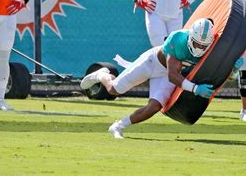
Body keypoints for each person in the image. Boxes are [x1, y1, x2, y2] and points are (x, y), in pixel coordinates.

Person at [80, 18, 216, 139]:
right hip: (152, 63)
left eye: (204, 45)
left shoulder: (212, 46)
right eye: (197, 43)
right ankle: (102, 74)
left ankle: (118, 126)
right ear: (190, 37)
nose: (200, 48)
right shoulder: (178, 39)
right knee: (113, 89)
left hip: (165, 75)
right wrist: (195, 88)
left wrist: (234, 69)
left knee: (154, 107)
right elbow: (173, 75)